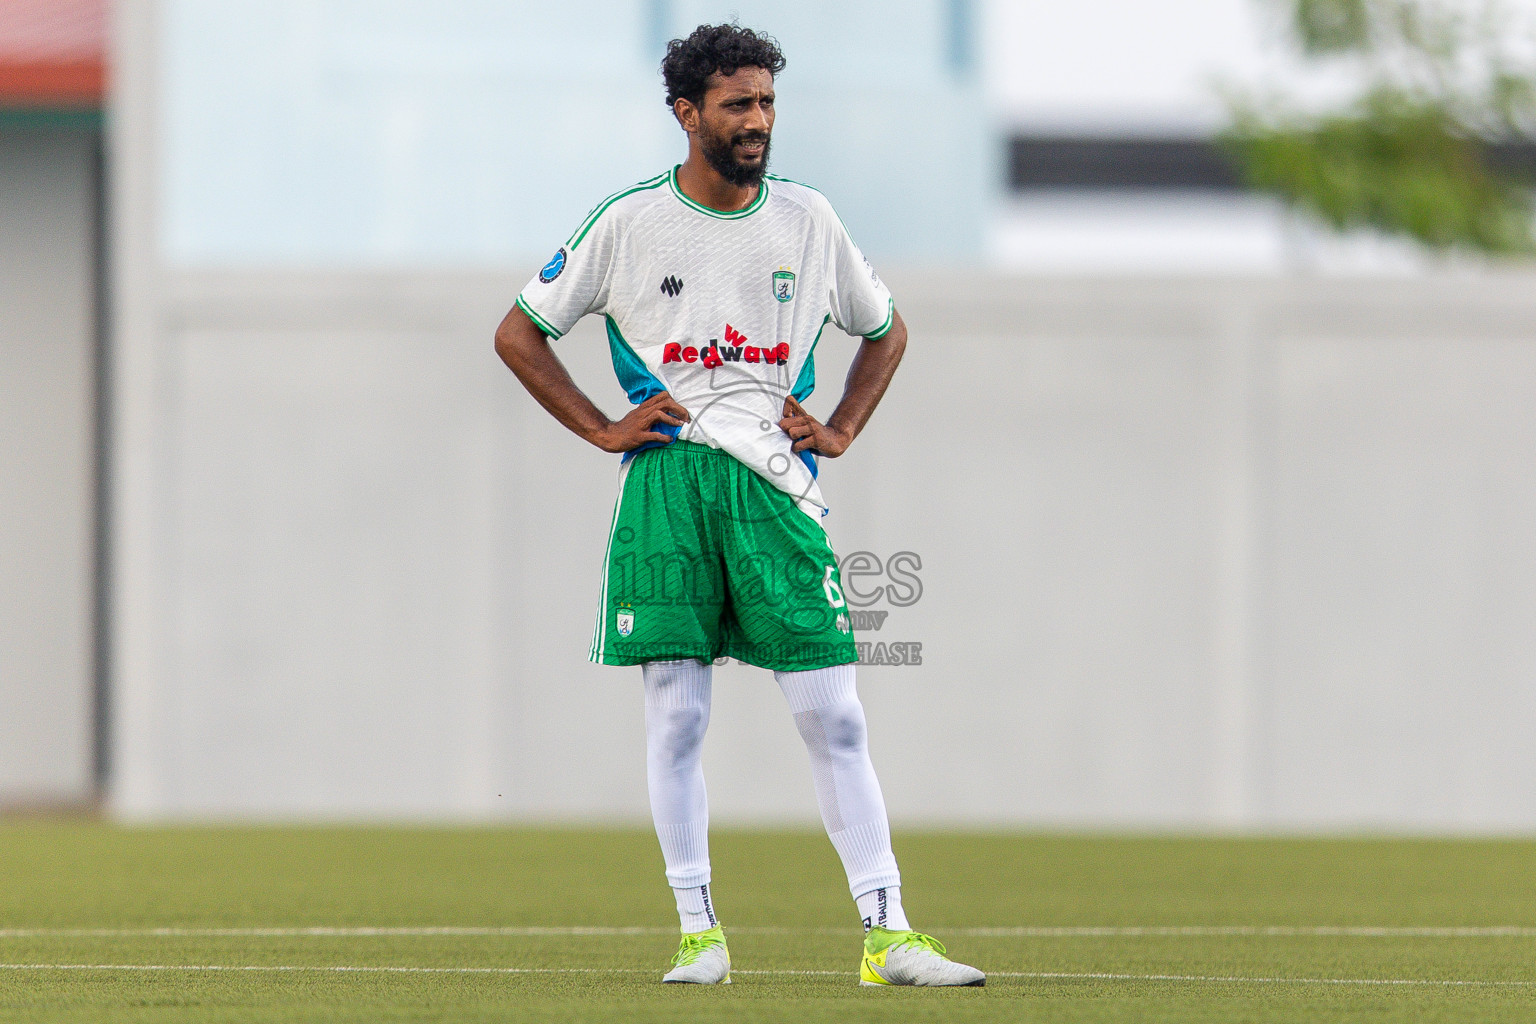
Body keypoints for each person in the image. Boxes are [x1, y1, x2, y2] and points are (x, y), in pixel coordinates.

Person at [494, 22, 983, 989]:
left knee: (833, 713)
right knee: (677, 716)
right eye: (737, 104)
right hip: (669, 486)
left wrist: (839, 428)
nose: (757, 120)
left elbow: (885, 333)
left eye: (765, 102)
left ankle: (889, 935)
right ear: (686, 114)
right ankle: (698, 935)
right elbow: (518, 334)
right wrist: (601, 427)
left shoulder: (808, 219)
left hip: (775, 490)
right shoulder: (630, 223)